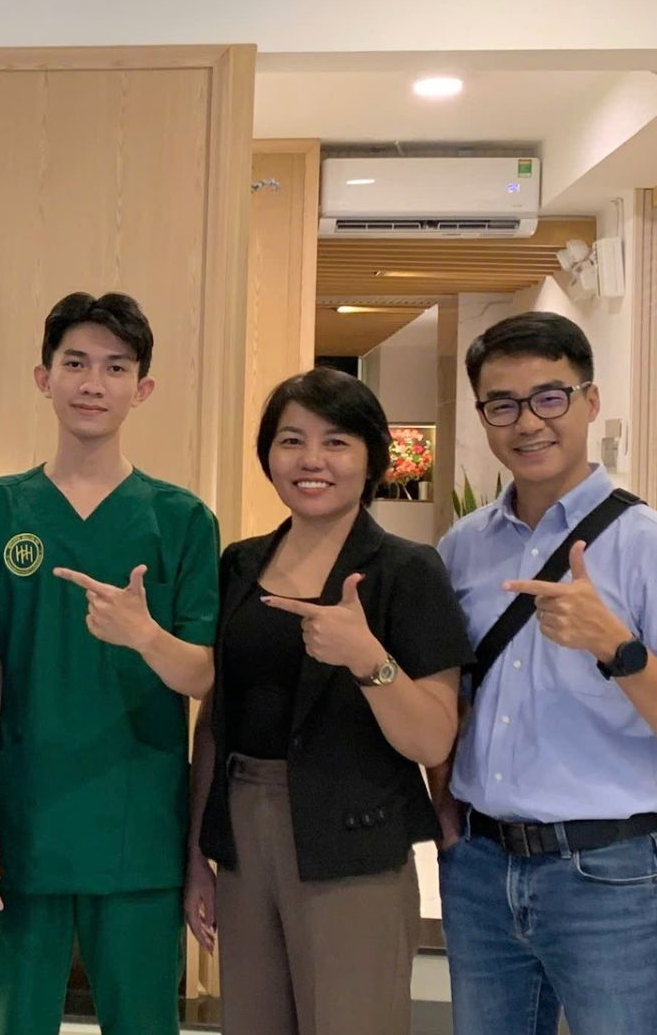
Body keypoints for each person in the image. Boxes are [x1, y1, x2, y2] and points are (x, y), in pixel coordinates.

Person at [433, 311, 657, 1035]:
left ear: (590, 401)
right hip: (480, 869)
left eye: (550, 397)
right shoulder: (461, 549)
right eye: (502, 404)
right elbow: (450, 701)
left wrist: (618, 648)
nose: (528, 422)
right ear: (482, 415)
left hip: (610, 875)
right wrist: (445, 814)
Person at [0, 291, 219, 1035]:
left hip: (138, 825)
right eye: (75, 363)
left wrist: (145, 636)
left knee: (143, 1022)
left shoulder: (181, 520)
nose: (93, 383)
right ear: (44, 378)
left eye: (115, 367)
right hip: (21, 820)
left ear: (143, 388)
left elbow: (203, 677)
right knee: (13, 1021)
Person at [182, 368, 469, 1035]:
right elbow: (216, 721)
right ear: (268, 455)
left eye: (336, 442)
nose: (312, 460)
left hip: (354, 843)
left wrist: (369, 659)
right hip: (244, 834)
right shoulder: (240, 564)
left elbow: (433, 739)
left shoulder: (407, 570)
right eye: (292, 441)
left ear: (371, 458)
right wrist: (198, 854)